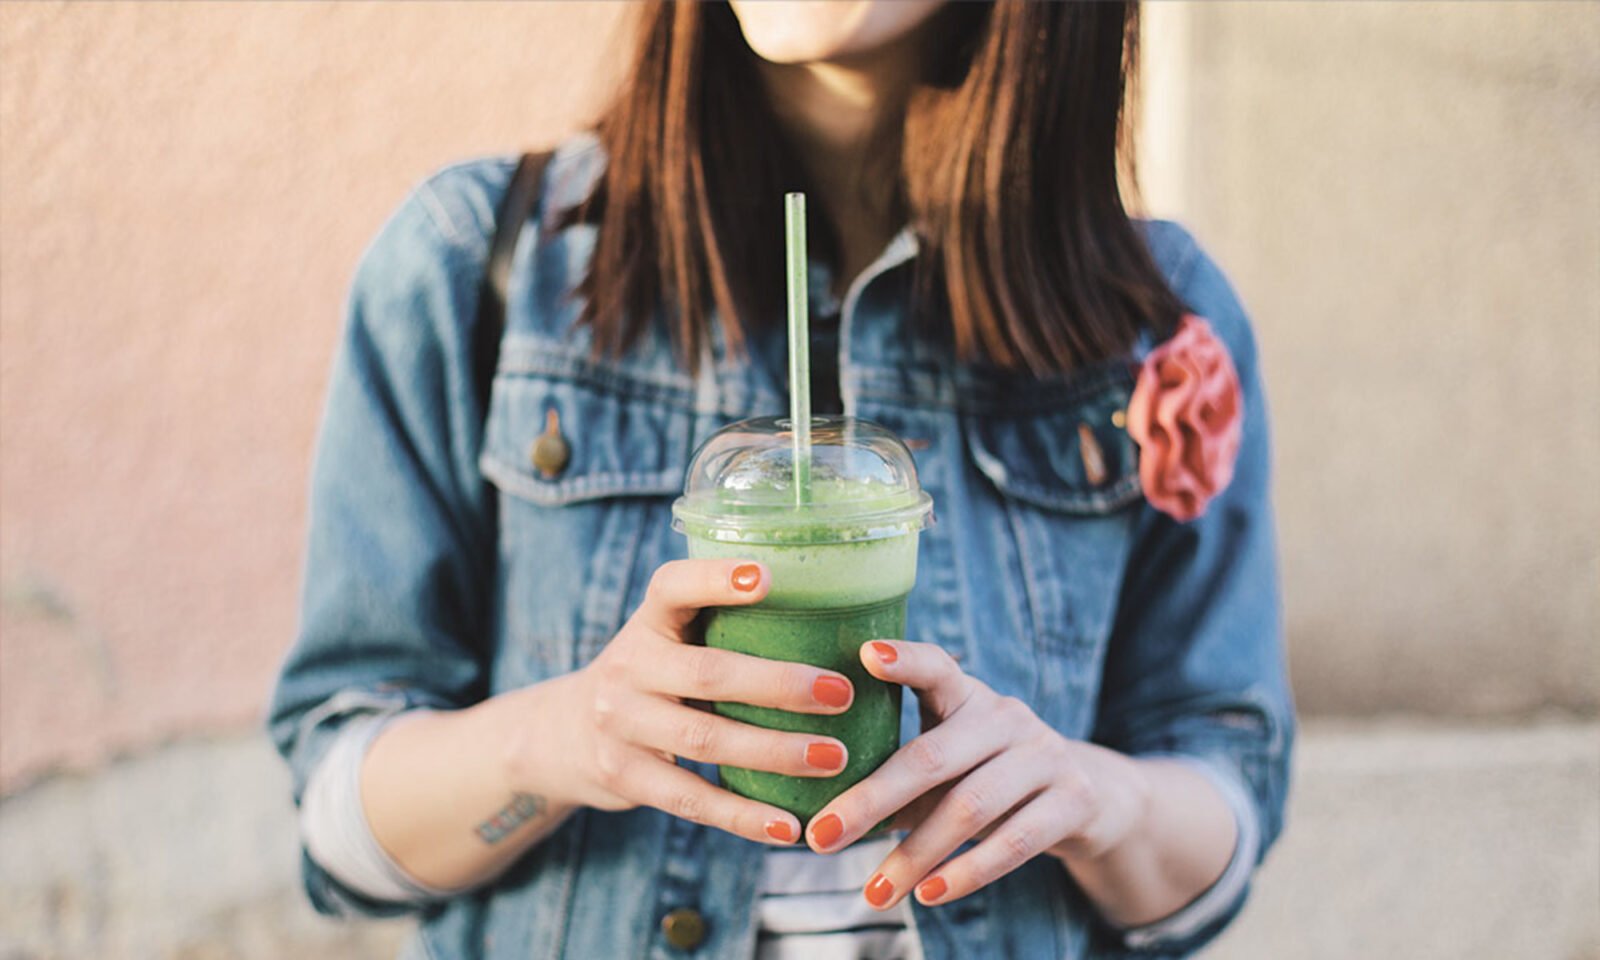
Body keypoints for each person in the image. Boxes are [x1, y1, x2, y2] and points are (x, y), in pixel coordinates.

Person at [267, 2, 1293, 958]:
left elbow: (1220, 820)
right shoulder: (474, 265)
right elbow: (340, 836)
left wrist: (1095, 799)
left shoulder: (1156, 318)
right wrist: (562, 738)